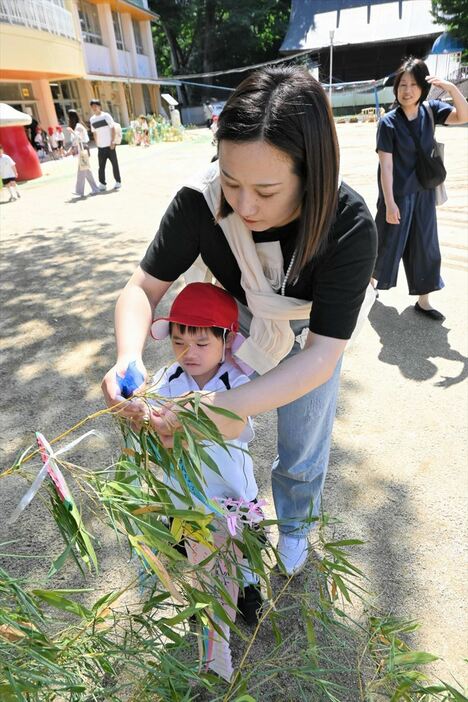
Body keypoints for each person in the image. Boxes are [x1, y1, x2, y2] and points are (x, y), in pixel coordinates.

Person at [102, 66, 377, 576]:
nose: (244, 205)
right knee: (210, 433)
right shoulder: (199, 201)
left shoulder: (348, 226)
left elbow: (321, 353)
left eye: (267, 191)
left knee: (303, 439)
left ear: (311, 172)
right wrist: (128, 358)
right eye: (231, 182)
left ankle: (294, 526)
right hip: (235, 317)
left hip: (308, 331)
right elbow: (142, 288)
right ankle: (219, 525)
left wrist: (224, 406)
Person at [144, 281, 262, 622]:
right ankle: (206, 594)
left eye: (200, 343)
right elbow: (149, 415)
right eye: (178, 342)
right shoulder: (166, 378)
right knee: (196, 549)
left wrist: (192, 413)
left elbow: (239, 427)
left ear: (227, 342)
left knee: (241, 549)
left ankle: (248, 588)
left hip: (231, 493)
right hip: (185, 496)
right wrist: (142, 413)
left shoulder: (237, 383)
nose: (188, 352)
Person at [372, 57, 468, 320]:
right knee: (387, 242)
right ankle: (368, 288)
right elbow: (387, 167)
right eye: (402, 84)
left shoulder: (431, 110)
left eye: (413, 84)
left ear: (422, 88)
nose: (407, 90)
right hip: (398, 195)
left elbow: (464, 115)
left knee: (426, 245)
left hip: (424, 192)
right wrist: (390, 203)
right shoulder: (388, 122)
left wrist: (451, 88)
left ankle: (423, 301)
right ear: (396, 88)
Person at [89, 99, 121, 191]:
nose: (94, 108)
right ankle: (102, 184)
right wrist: (97, 143)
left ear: (100, 106)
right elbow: (94, 132)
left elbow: (113, 129)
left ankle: (118, 181)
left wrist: (113, 142)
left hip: (110, 145)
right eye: (92, 106)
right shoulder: (92, 119)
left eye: (96, 106)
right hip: (101, 147)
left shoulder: (106, 116)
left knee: (114, 164)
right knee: (101, 166)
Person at [67, 109, 99, 198]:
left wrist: (71, 131)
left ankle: (79, 191)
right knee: (86, 171)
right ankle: (95, 188)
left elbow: (78, 138)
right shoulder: (78, 125)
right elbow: (76, 140)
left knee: (81, 171)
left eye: (69, 117)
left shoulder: (78, 126)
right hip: (82, 150)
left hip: (82, 150)